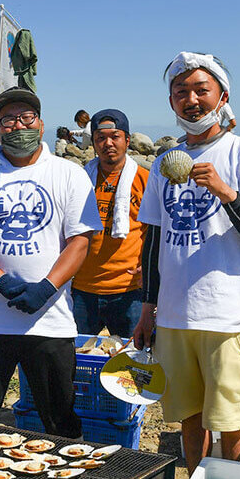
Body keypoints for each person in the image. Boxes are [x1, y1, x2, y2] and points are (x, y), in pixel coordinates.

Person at [132, 52, 240, 475]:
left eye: (201, 90)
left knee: (232, 423)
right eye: (181, 92)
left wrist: (224, 191)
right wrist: (147, 309)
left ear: (222, 96)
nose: (191, 99)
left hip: (226, 317)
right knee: (189, 419)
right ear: (172, 103)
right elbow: (154, 240)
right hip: (175, 316)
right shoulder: (163, 162)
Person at [0, 87, 102, 438]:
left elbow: (80, 242)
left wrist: (47, 287)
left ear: (41, 124)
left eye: (26, 117)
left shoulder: (69, 174)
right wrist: (2, 282)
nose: (18, 125)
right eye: (9, 119)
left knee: (60, 419)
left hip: (50, 323)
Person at [72, 109, 149, 338]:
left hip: (130, 289)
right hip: (83, 288)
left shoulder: (145, 180)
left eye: (115, 137)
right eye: (100, 138)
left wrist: (151, 266)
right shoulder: (78, 180)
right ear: (93, 143)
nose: (108, 143)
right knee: (75, 359)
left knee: (134, 363)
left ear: (127, 139)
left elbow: (160, 230)